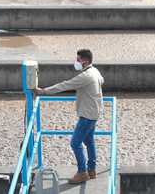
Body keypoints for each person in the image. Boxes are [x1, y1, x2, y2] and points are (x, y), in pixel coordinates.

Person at [35, 49, 104, 184]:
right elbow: (102, 80)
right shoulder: (95, 71)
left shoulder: (85, 76)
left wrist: (43, 91)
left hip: (87, 115)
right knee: (89, 141)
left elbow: (65, 85)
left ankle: (82, 172)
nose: (76, 62)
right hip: (94, 113)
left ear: (85, 61)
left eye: (78, 60)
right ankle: (92, 170)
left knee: (75, 143)